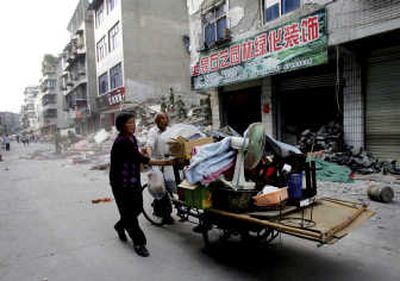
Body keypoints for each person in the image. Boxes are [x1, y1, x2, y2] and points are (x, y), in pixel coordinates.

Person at [109, 112, 173, 257]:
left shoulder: (131, 138)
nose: (133, 125)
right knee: (130, 215)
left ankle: (119, 226)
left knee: (137, 208)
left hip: (133, 180)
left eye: (134, 122)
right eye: (129, 123)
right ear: (122, 126)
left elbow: (136, 155)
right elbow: (140, 159)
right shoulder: (121, 141)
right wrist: (164, 162)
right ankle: (139, 243)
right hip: (120, 183)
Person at [145, 112, 175, 224]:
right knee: (158, 186)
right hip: (156, 162)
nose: (164, 120)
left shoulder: (170, 130)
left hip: (168, 162)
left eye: (165, 118)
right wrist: (148, 157)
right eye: (161, 118)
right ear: (157, 121)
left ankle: (158, 204)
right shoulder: (153, 132)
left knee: (173, 184)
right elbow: (149, 145)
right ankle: (166, 214)